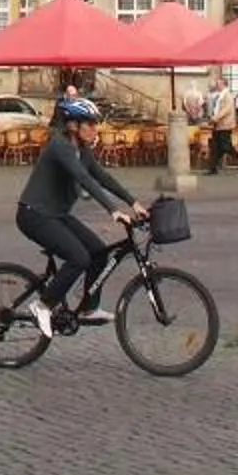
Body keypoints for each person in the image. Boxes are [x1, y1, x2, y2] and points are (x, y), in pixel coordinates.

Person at [14, 94, 145, 339]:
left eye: (96, 123)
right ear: (73, 125)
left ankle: (88, 308)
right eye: (90, 123)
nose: (96, 129)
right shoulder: (60, 147)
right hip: (35, 215)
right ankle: (42, 305)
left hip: (57, 214)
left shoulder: (81, 150)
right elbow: (83, 178)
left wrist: (133, 202)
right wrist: (113, 210)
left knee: (99, 252)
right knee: (79, 258)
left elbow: (101, 176)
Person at [203, 73, 238, 173]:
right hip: (218, 125)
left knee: (226, 148)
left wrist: (215, 118)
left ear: (224, 84)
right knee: (216, 147)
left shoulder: (227, 96)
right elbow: (217, 108)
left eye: (219, 84)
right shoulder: (220, 96)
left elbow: (225, 110)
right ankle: (213, 168)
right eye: (217, 84)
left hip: (225, 125)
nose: (217, 85)